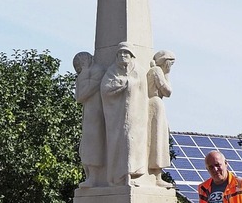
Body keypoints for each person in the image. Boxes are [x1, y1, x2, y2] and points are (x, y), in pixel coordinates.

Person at [100, 42, 149, 186]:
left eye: (125, 53)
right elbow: (105, 89)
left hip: (136, 115)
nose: (122, 56)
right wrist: (121, 85)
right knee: (119, 143)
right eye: (120, 53)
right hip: (117, 117)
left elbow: (143, 94)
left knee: (133, 143)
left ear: (131, 56)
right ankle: (117, 177)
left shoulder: (139, 71)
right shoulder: (112, 71)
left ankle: (131, 174)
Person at [73, 51, 106, 188]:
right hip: (89, 113)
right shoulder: (84, 74)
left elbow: (83, 94)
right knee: (87, 144)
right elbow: (78, 97)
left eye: (81, 65)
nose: (80, 68)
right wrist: (84, 73)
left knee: (93, 143)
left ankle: (94, 176)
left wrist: (85, 72)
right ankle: (90, 175)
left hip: (97, 113)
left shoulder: (97, 70)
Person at [147, 50, 176, 187]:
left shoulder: (160, 71)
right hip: (155, 105)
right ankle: (156, 175)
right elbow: (167, 91)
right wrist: (167, 75)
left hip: (157, 105)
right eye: (171, 62)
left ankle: (157, 175)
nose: (171, 66)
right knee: (157, 140)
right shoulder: (157, 70)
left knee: (160, 140)